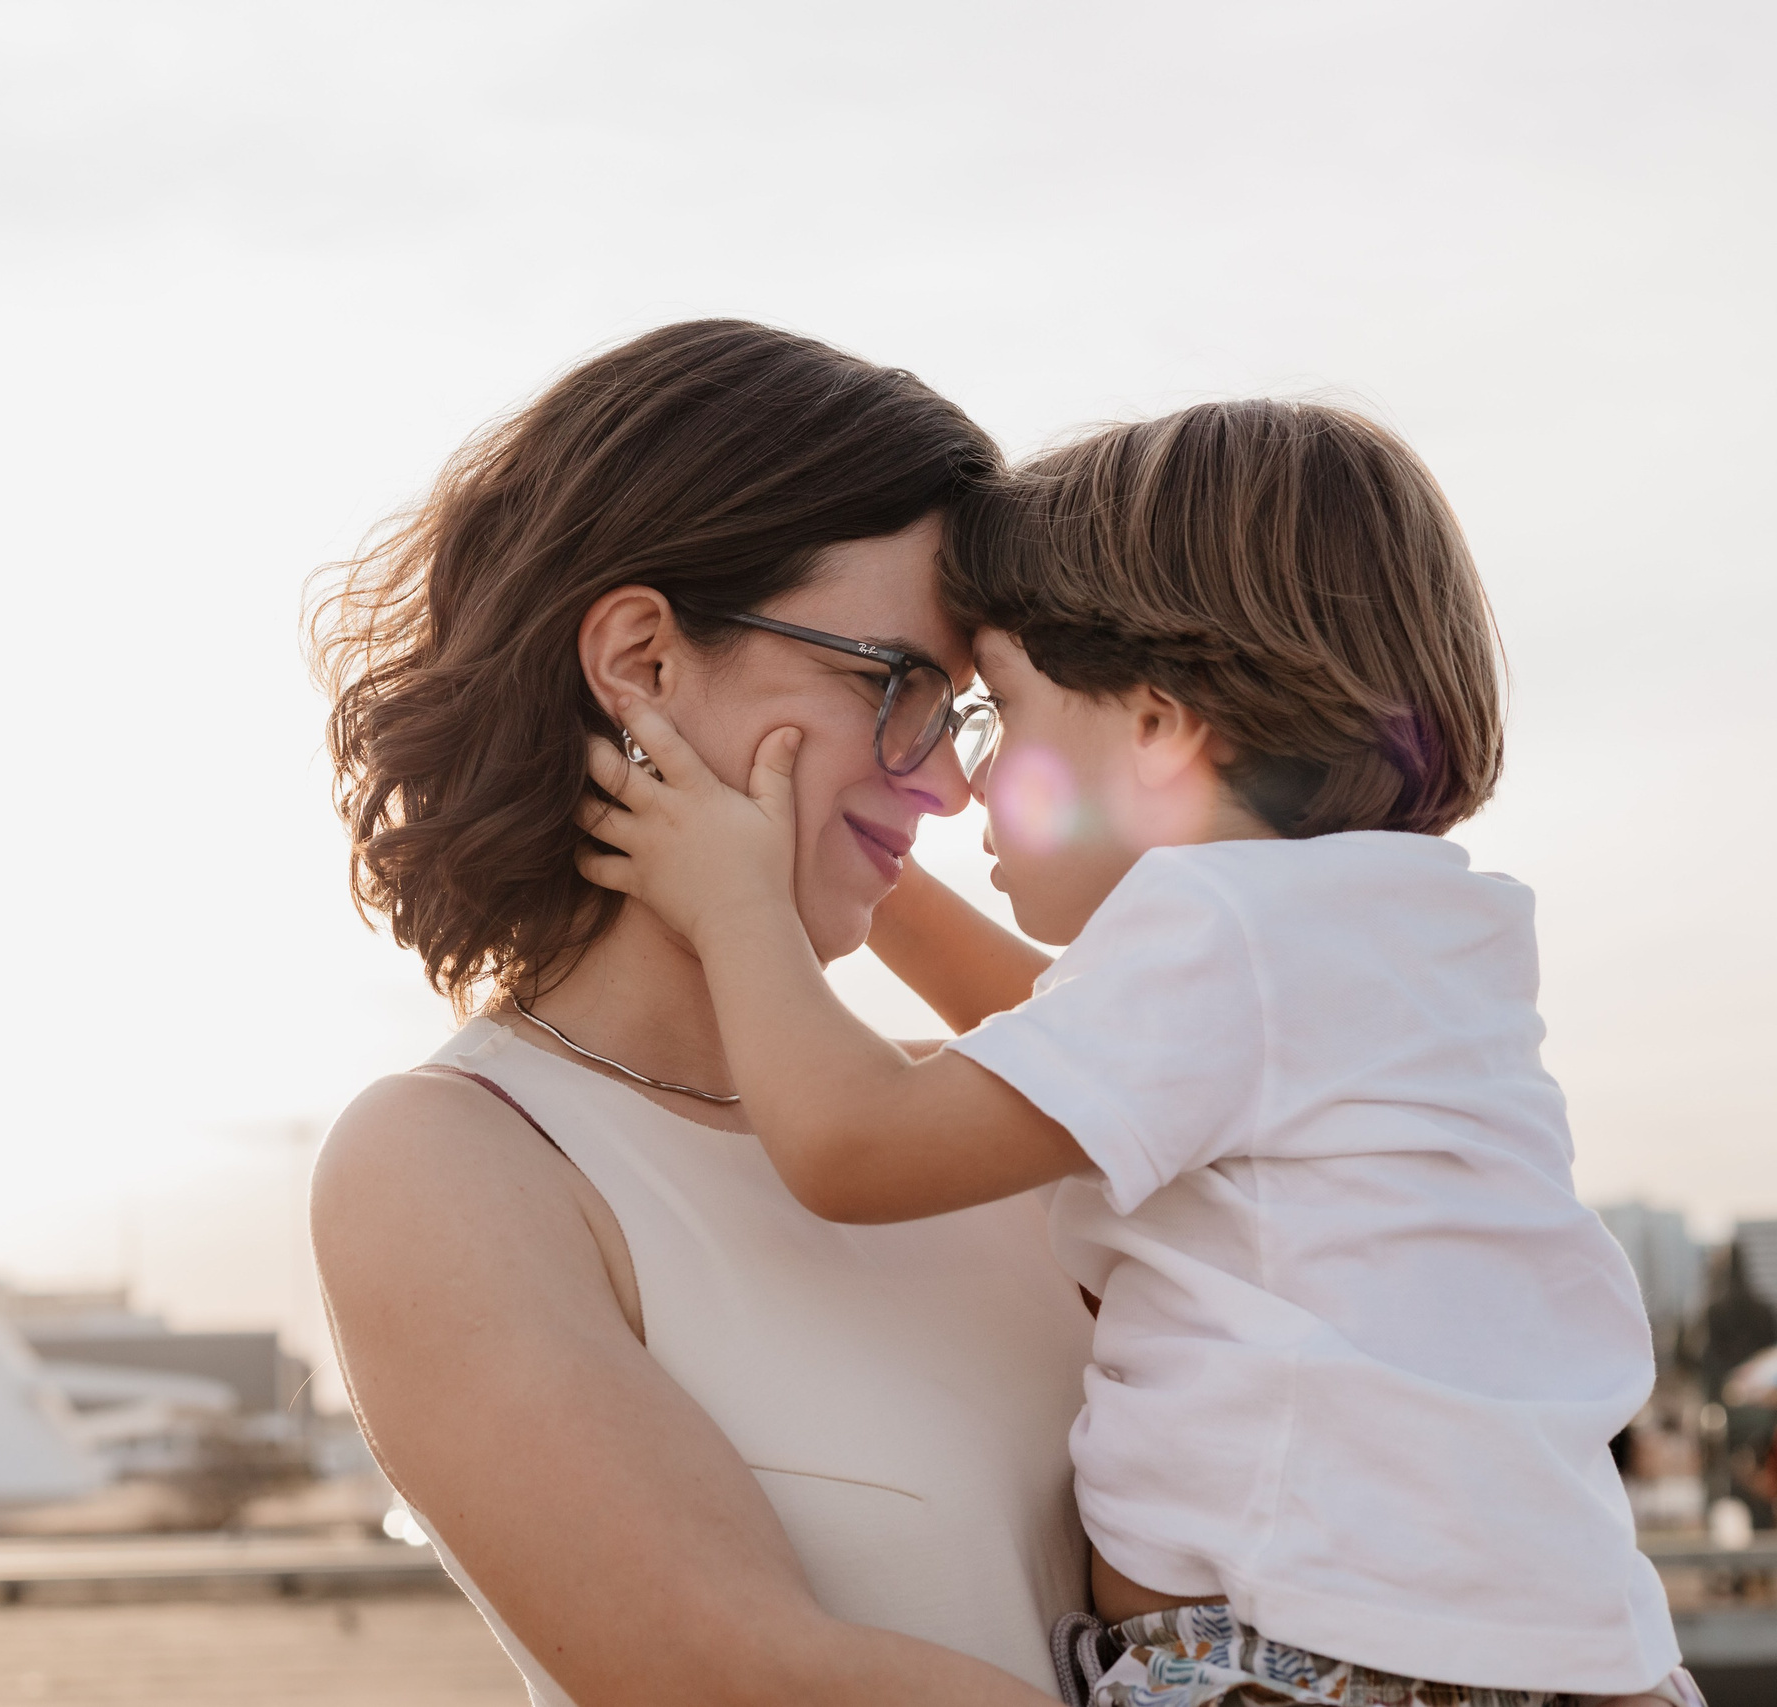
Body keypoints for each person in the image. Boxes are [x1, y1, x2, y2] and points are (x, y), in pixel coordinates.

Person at [576, 400, 1699, 1706]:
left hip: (1313, 1673)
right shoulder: (1378, 929)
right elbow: (1058, 1045)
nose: (965, 782)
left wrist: (740, 909)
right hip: (1539, 1657)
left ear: (1160, 726)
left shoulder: (1223, 932)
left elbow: (854, 1142)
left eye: (1000, 713)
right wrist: (865, 880)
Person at [309, 320, 1095, 1705]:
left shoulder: (982, 1118)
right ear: (644, 663)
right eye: (893, 683)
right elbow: (733, 1671)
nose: (957, 788)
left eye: (959, 713)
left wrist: (840, 827)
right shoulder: (459, 1163)